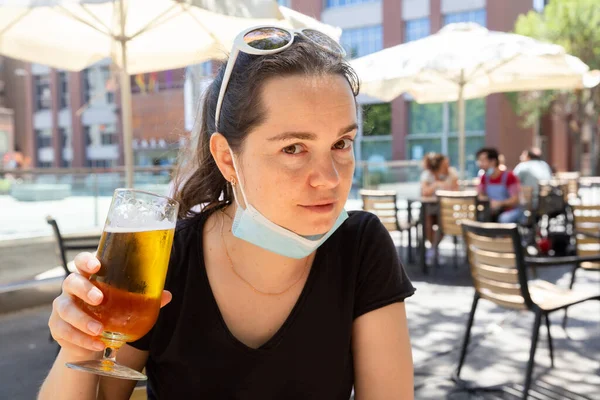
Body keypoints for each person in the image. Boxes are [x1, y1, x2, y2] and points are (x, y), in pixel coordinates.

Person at [39, 27, 416, 400]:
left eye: (340, 143)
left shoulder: (360, 246)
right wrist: (78, 348)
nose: (329, 179)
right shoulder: (166, 259)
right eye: (294, 148)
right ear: (226, 158)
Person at [420, 153, 459, 263]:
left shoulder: (452, 173)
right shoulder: (427, 175)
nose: (447, 166)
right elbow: (425, 192)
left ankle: (433, 248)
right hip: (430, 207)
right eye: (445, 164)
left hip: (447, 208)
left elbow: (456, 192)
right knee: (427, 219)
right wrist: (436, 184)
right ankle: (433, 248)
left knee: (444, 220)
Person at [476, 147, 523, 223]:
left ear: (493, 161)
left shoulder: (510, 176)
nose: (480, 164)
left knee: (504, 219)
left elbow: (515, 200)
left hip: (510, 211)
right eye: (479, 161)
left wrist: (499, 203)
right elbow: (480, 194)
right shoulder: (484, 178)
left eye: (483, 161)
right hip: (492, 211)